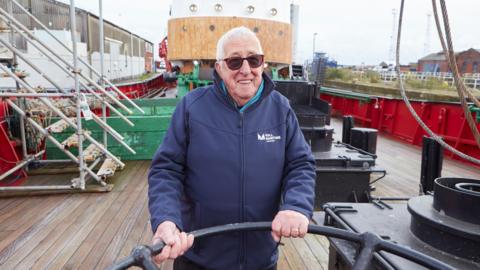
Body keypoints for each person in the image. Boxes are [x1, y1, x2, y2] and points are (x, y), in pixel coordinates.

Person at [148, 26, 315, 270]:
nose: (246, 70)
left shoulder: (281, 109)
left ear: (263, 64)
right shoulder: (192, 107)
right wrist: (166, 219)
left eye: (254, 60)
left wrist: (296, 206)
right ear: (220, 67)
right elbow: (166, 170)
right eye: (235, 61)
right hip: (198, 258)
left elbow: (300, 165)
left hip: (261, 260)